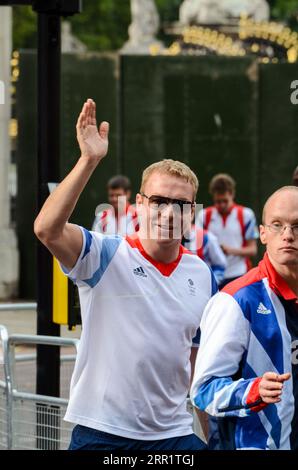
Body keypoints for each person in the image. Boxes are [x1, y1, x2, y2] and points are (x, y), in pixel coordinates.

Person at [34, 99, 217, 451]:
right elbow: (47, 230)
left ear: (192, 212)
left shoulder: (202, 273)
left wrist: (212, 436)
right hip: (102, 434)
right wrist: (88, 161)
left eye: (180, 204)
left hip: (174, 435)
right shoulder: (104, 254)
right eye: (159, 200)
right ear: (139, 204)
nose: (168, 211)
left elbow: (197, 365)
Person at [190, 186, 298, 450]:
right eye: (277, 225)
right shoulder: (235, 301)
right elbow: (202, 392)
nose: (288, 235)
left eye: (297, 225)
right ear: (263, 234)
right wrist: (254, 391)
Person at [201, 173, 258, 288]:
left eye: (225, 201)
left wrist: (230, 250)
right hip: (212, 275)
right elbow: (197, 248)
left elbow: (253, 250)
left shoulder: (246, 215)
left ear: (232, 194)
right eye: (218, 201)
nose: (221, 205)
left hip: (239, 275)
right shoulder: (203, 215)